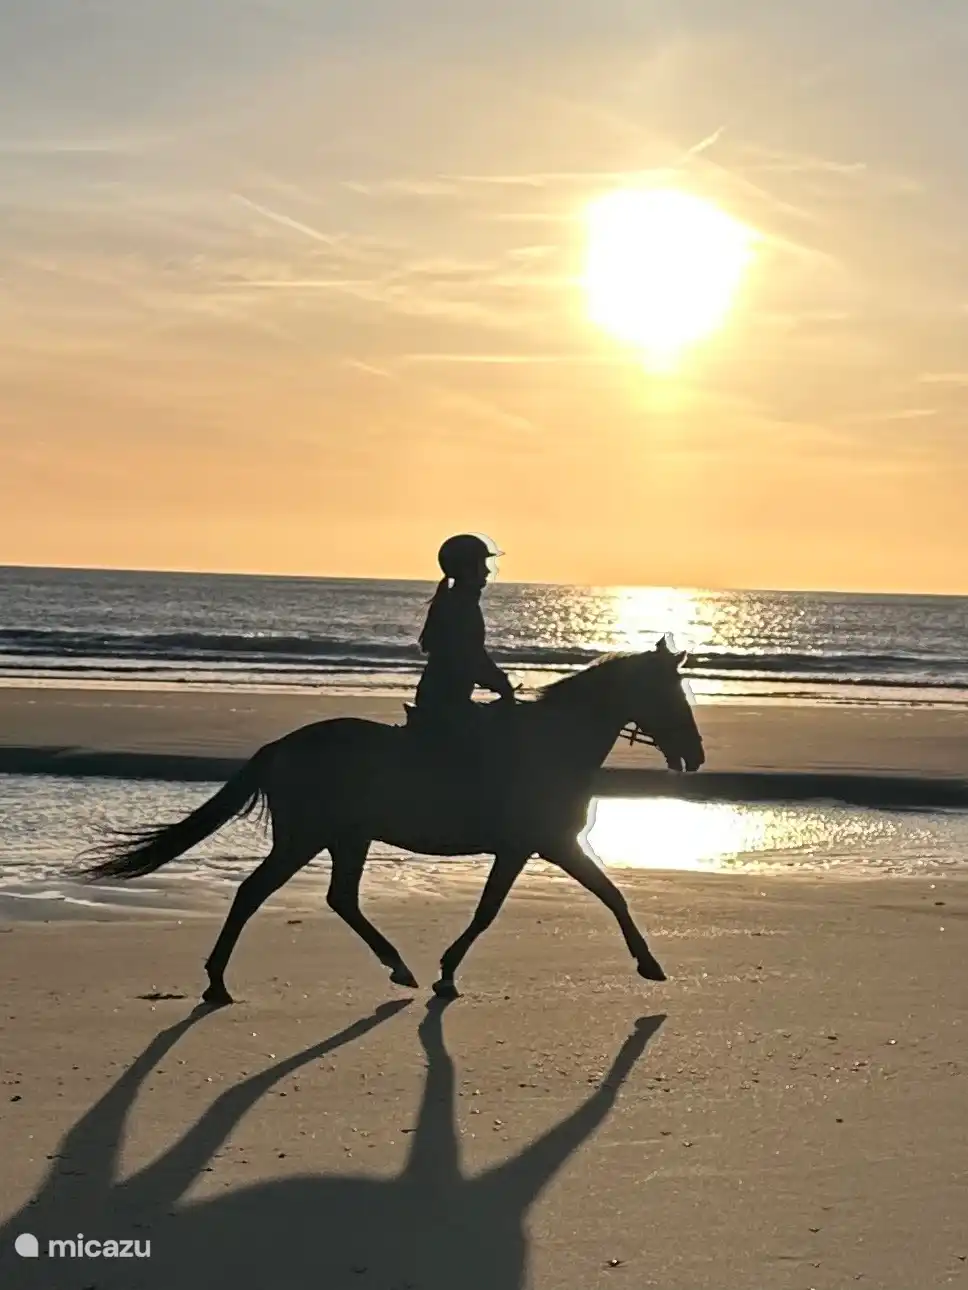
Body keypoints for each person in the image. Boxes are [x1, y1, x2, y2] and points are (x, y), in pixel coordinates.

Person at [410, 533, 515, 759]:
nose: (488, 571)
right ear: (467, 568)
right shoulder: (461, 606)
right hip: (446, 705)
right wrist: (503, 685)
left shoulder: (456, 601)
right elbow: (470, 657)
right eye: (482, 564)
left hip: (443, 699)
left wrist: (498, 680)